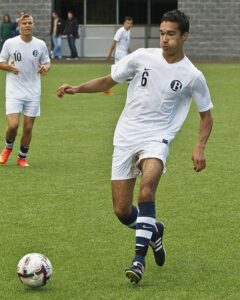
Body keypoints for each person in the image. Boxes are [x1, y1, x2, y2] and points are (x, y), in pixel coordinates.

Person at [56, 10, 213, 284]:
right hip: (126, 136)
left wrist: (199, 146)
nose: (165, 39)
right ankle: (154, 231)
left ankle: (138, 261)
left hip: (157, 137)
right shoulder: (142, 56)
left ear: (184, 36)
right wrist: (77, 88)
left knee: (147, 189)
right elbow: (109, 80)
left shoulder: (193, 76)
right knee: (122, 210)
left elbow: (206, 115)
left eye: (171, 34)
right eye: (162, 33)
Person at [0, 14, 50, 167]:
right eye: (24, 23)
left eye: (30, 23)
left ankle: (22, 157)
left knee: (28, 127)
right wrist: (9, 67)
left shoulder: (40, 44)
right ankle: (8, 147)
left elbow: (47, 62)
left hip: (33, 92)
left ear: (33, 25)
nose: (27, 25)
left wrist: (44, 68)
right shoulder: (10, 43)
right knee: (13, 125)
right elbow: (1, 62)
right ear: (19, 25)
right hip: (14, 91)